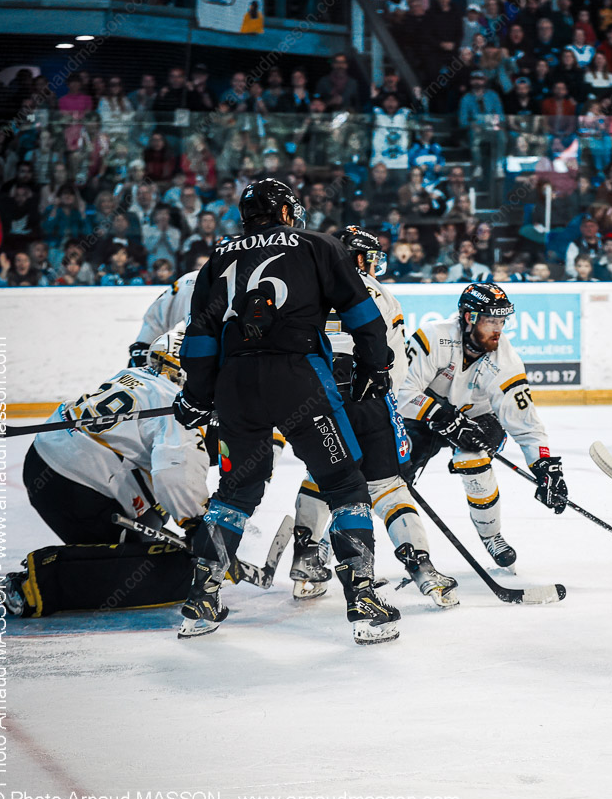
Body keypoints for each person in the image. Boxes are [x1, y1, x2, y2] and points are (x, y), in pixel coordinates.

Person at [175, 178, 399, 645]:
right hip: (300, 380)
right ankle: (362, 600)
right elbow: (361, 313)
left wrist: (197, 395)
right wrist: (375, 366)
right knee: (344, 483)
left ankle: (201, 599)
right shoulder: (318, 244)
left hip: (237, 385)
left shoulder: (218, 256)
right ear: (284, 212)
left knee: (235, 492)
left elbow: (198, 338)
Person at [287, 227, 458, 609]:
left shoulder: (302, 287)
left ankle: (306, 560)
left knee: (322, 476)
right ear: (359, 258)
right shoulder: (377, 293)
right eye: (371, 258)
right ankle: (421, 568)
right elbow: (393, 367)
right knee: (388, 488)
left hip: (311, 399)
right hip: (364, 397)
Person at [0, 331, 209, 617]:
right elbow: (174, 472)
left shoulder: (132, 375)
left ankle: (105, 554)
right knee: (146, 567)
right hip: (81, 488)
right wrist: (198, 524)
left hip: (41, 463)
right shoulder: (177, 403)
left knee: (147, 512)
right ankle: (36, 588)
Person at [396, 284, 569, 569]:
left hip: (478, 419)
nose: (498, 329)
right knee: (388, 473)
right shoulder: (433, 336)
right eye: (491, 320)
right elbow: (402, 391)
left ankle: (492, 536)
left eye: (502, 321)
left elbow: (525, 422)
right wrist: (441, 416)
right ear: (469, 317)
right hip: (423, 415)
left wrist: (544, 466)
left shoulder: (505, 360)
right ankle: (343, 543)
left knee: (472, 460)